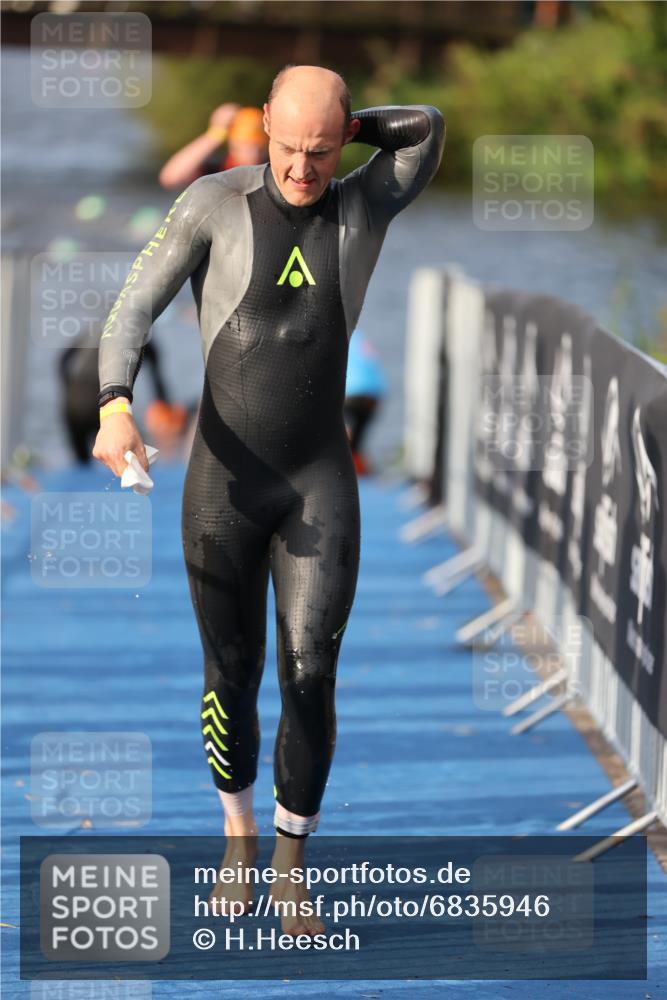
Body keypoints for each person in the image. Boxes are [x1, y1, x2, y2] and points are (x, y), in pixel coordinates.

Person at [93, 63, 445, 935]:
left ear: (345, 137)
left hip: (316, 481)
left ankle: (291, 861)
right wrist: (114, 405)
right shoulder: (213, 202)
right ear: (260, 128)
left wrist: (346, 132)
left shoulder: (365, 202)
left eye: (319, 151)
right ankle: (238, 834)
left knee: (310, 673)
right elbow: (133, 305)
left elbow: (427, 125)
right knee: (232, 672)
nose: (299, 169)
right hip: (223, 481)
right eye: (285, 148)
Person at [59, 332, 170, 465]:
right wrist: (164, 408)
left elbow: (62, 361)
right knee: (135, 455)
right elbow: (156, 380)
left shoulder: (91, 333)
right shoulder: (141, 337)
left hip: (73, 401)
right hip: (104, 402)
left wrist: (67, 389)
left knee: (82, 463)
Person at [159, 103, 269, 190]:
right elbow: (170, 177)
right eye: (247, 147)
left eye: (260, 148)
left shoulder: (271, 170)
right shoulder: (217, 169)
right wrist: (215, 134)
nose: (254, 154)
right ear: (232, 145)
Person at [344, 329, 388, 475]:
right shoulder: (360, 338)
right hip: (374, 394)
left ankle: (348, 472)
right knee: (358, 439)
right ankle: (360, 470)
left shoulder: (338, 336)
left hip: (352, 391)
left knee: (344, 437)